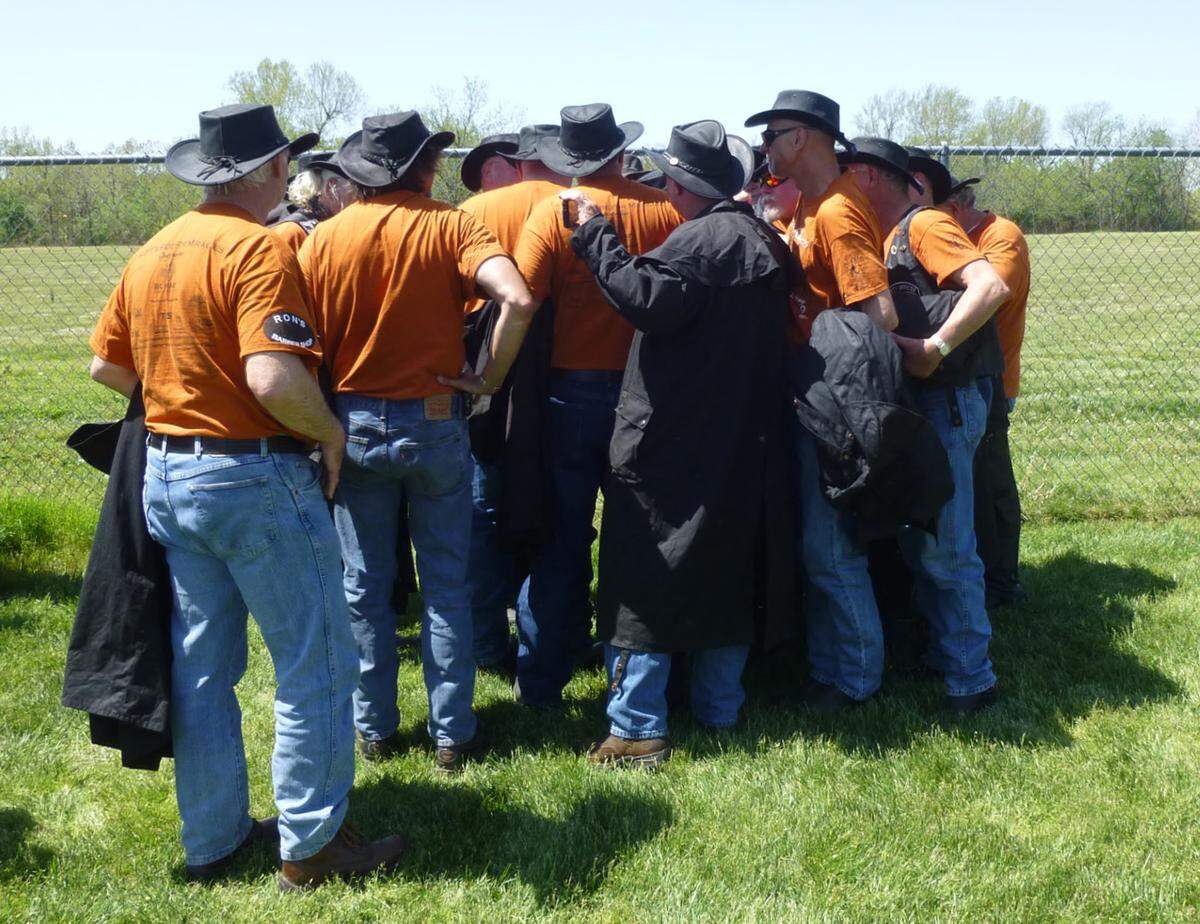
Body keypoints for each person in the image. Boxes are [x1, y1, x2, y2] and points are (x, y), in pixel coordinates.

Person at [87, 103, 404, 890]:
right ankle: (314, 845)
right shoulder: (259, 249)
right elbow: (272, 375)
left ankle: (215, 839)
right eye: (285, 163)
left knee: (202, 669)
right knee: (317, 663)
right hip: (253, 476)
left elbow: (108, 370)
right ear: (266, 170)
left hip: (168, 475)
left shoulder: (156, 248)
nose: (291, 174)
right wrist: (329, 433)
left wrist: (184, 391)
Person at [298, 112, 536, 770]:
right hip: (434, 419)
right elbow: (515, 298)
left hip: (352, 425)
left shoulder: (322, 240)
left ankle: (373, 728)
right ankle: (451, 733)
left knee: (364, 589)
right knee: (447, 585)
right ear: (425, 169)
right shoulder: (451, 225)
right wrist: (486, 377)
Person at [562, 120, 794, 767]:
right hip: (740, 439)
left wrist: (592, 233)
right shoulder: (762, 242)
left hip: (670, 442)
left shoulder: (697, 241)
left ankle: (636, 728)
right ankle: (720, 709)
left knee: (645, 573)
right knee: (725, 565)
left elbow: (643, 298)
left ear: (678, 186)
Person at [510, 103, 682, 710]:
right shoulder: (661, 209)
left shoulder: (547, 213)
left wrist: (488, 377)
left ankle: (541, 683)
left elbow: (522, 300)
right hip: (645, 393)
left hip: (568, 394)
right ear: (618, 150)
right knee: (641, 539)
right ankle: (638, 679)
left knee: (559, 539)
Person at [841, 137, 1010, 713]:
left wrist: (935, 346)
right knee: (927, 539)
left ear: (865, 177)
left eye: (846, 176)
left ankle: (972, 680)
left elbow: (991, 286)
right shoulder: (887, 236)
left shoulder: (923, 225)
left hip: (949, 398)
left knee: (948, 546)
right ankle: (947, 653)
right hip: (924, 402)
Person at [743, 90, 898, 710]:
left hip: (836, 401)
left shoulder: (836, 212)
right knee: (818, 544)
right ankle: (832, 666)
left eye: (773, 135)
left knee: (830, 549)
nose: (766, 147)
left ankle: (856, 681)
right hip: (811, 393)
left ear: (803, 137)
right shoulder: (807, 204)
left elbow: (878, 315)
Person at [458, 125, 569, 675]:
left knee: (484, 511)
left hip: (492, 377)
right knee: (562, 512)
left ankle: (485, 643)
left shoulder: (476, 211)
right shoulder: (585, 205)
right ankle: (554, 638)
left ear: (519, 162)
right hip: (571, 379)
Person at [942, 175, 1032, 608]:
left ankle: (1001, 580)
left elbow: (986, 299)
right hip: (962, 373)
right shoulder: (961, 238)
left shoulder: (1002, 237)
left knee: (991, 480)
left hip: (992, 378)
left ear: (955, 209)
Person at [270, 150, 357, 254]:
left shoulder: (336, 224)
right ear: (331, 187)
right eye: (354, 186)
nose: (360, 195)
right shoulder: (291, 232)